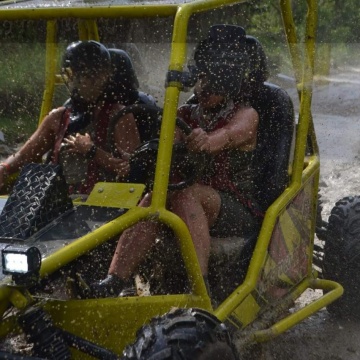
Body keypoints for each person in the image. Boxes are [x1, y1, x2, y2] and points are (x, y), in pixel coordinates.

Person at [90, 24, 264, 298]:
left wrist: (207, 141)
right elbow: (166, 150)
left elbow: (229, 136)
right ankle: (114, 280)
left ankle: (200, 286)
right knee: (151, 199)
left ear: (228, 85)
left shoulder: (245, 114)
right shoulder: (185, 112)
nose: (203, 88)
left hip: (237, 206)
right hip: (193, 199)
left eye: (212, 82)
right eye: (201, 79)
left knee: (184, 196)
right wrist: (142, 156)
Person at [0, 40, 143, 195]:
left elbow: (133, 170)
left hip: (105, 202)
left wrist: (92, 151)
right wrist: (4, 168)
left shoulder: (119, 115)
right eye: (73, 75)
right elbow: (22, 156)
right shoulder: (58, 117)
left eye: (86, 76)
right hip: (60, 203)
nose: (79, 82)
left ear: (103, 77)